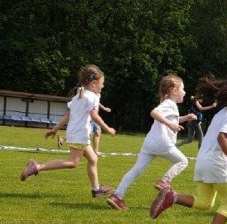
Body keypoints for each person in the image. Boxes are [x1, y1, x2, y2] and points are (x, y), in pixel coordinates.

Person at [149, 77, 227, 224]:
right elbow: (222, 138)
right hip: (217, 162)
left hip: (203, 161)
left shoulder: (223, 113)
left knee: (206, 202)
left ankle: (172, 197)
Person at [21, 64, 115, 198]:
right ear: (94, 83)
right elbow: (94, 116)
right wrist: (108, 129)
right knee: (72, 163)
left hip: (74, 133)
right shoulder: (92, 97)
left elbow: (67, 115)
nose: (103, 86)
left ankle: (96, 189)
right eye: (102, 83)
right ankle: (36, 167)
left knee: (93, 158)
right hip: (79, 134)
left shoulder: (78, 96)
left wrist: (54, 129)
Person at [107, 74, 196, 211]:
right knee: (183, 161)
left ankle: (117, 196)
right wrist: (170, 124)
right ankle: (164, 181)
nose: (185, 92)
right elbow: (154, 113)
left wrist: (185, 118)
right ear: (174, 91)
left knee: (136, 170)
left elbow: (170, 119)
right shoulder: (169, 104)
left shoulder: (169, 105)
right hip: (162, 143)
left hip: (150, 143)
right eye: (183, 89)